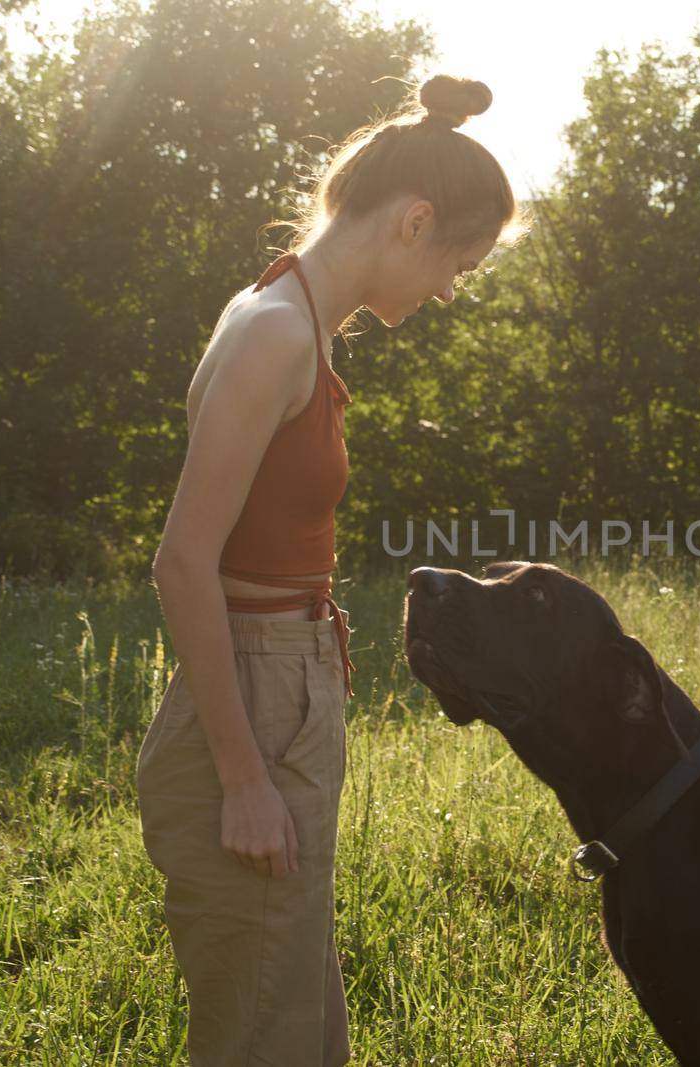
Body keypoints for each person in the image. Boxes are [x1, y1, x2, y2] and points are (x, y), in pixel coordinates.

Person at [136, 74, 529, 1065]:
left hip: (286, 685)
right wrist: (242, 778)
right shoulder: (272, 333)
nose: (447, 290)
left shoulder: (289, 317)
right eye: (459, 264)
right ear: (415, 220)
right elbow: (183, 563)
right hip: (253, 698)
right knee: (261, 1030)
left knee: (299, 1019)